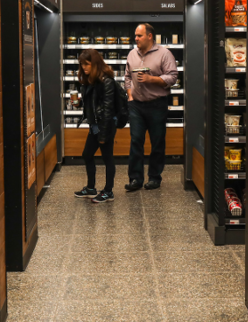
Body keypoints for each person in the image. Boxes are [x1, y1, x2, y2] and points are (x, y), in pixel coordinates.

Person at [124, 23, 178, 191]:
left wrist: (151, 79)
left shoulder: (164, 53)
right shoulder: (132, 54)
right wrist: (130, 96)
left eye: (139, 35)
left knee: (157, 142)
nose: (136, 38)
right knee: (136, 141)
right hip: (136, 106)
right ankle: (135, 179)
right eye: (135, 35)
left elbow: (173, 77)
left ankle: (154, 177)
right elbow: (127, 76)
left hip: (157, 105)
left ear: (149, 36)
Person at [74, 49, 117, 203]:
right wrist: (80, 103)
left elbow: (107, 110)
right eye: (82, 65)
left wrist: (104, 134)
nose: (84, 67)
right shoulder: (88, 80)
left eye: (87, 64)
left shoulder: (106, 81)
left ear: (95, 63)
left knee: (107, 158)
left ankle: (108, 191)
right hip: (94, 126)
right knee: (87, 154)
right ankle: (91, 188)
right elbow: (91, 104)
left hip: (105, 125)